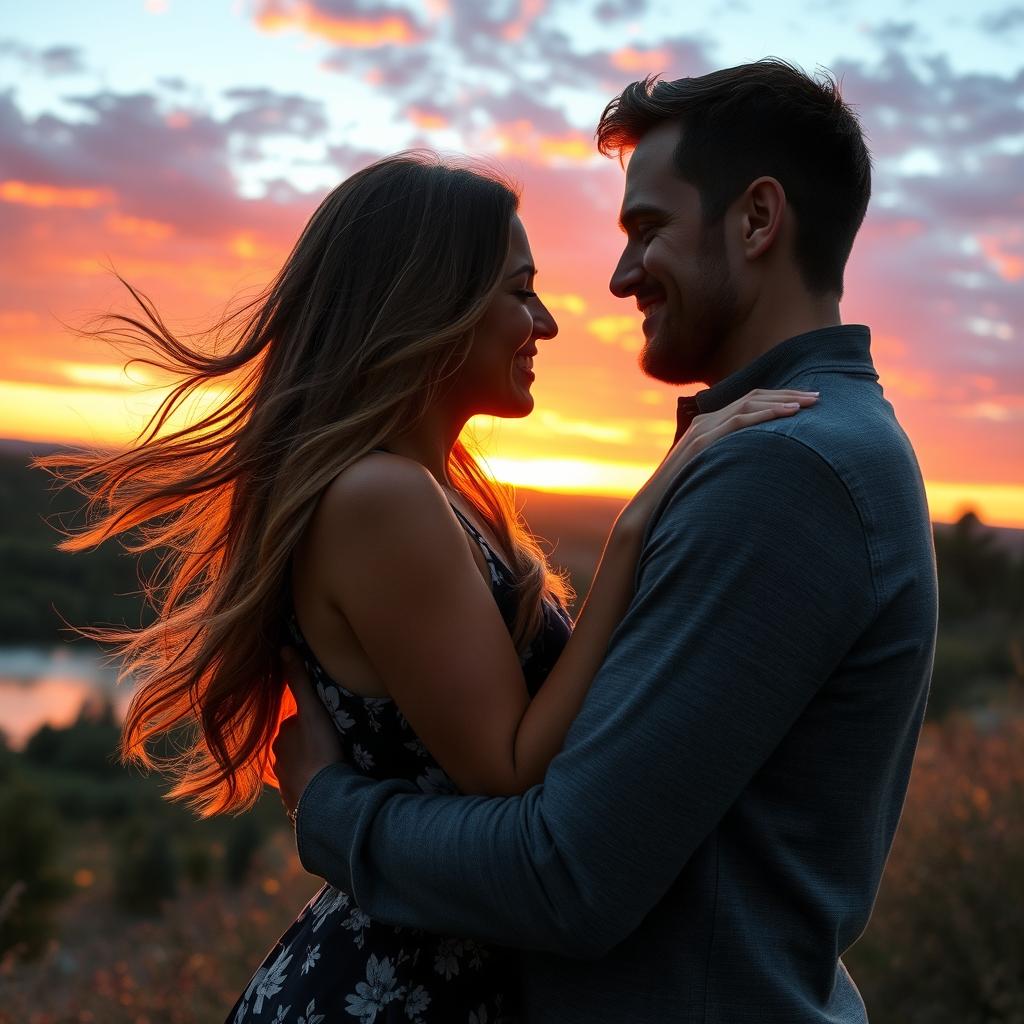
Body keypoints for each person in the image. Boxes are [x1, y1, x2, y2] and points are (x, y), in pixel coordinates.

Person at [42, 152, 814, 1023]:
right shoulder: (384, 497)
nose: (547, 322)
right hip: (395, 993)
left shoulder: (436, 490)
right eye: (520, 291)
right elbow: (509, 768)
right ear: (431, 303)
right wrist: (638, 529)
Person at [271, 61, 938, 1023]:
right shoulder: (804, 445)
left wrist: (330, 810)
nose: (621, 277)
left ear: (757, 221)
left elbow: (564, 876)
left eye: (647, 229)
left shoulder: (787, 469)